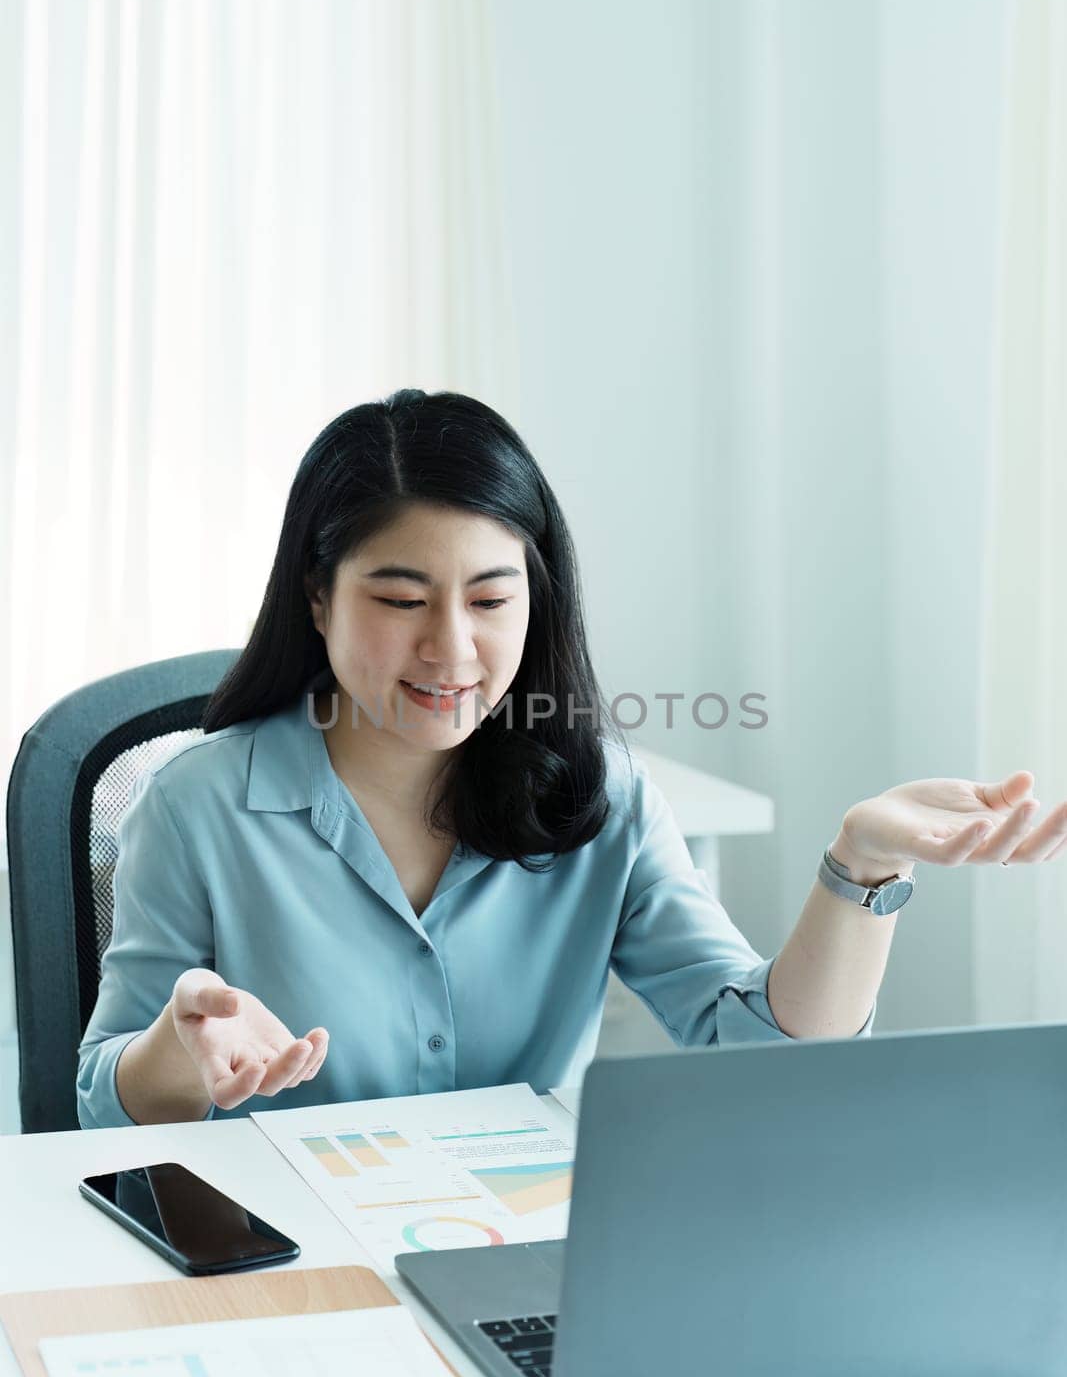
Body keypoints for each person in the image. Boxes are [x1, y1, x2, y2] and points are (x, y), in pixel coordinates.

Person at [77, 389, 1067, 1128]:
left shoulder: (604, 799)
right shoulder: (195, 808)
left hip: (526, 1269)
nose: (451, 648)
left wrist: (861, 870)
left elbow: (756, 1048)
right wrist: (180, 1048)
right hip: (285, 1272)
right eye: (400, 598)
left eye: (491, 599)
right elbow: (98, 1105)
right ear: (316, 596)